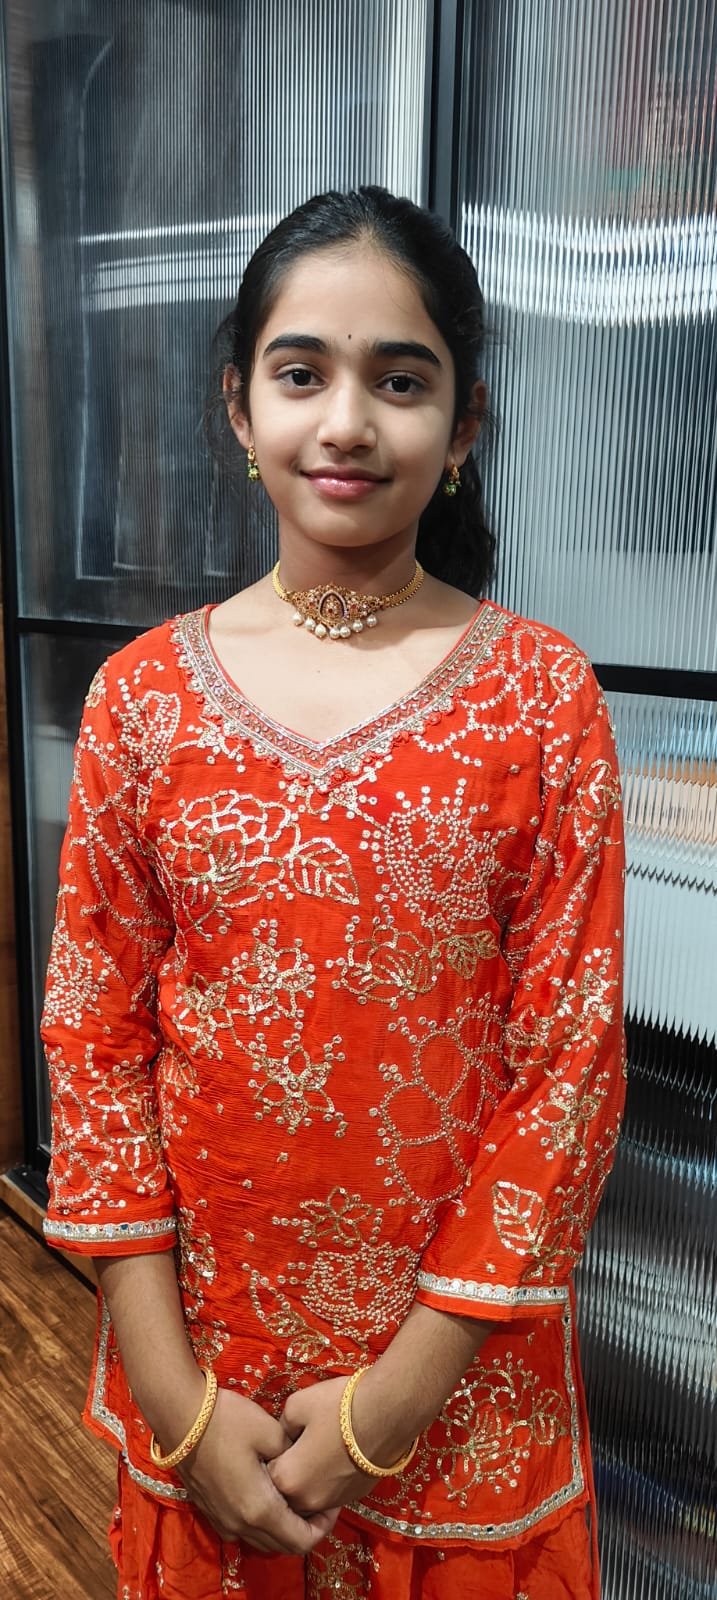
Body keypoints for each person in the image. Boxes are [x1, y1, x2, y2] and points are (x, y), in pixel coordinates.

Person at [41, 186, 626, 1600]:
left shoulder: (541, 698)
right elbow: (97, 1045)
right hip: (211, 1381)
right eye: (300, 374)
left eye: (400, 382)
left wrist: (395, 1402)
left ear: (465, 426)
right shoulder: (142, 700)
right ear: (238, 410)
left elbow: (566, 1066)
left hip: (457, 1394)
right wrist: (178, 1407)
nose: (346, 423)